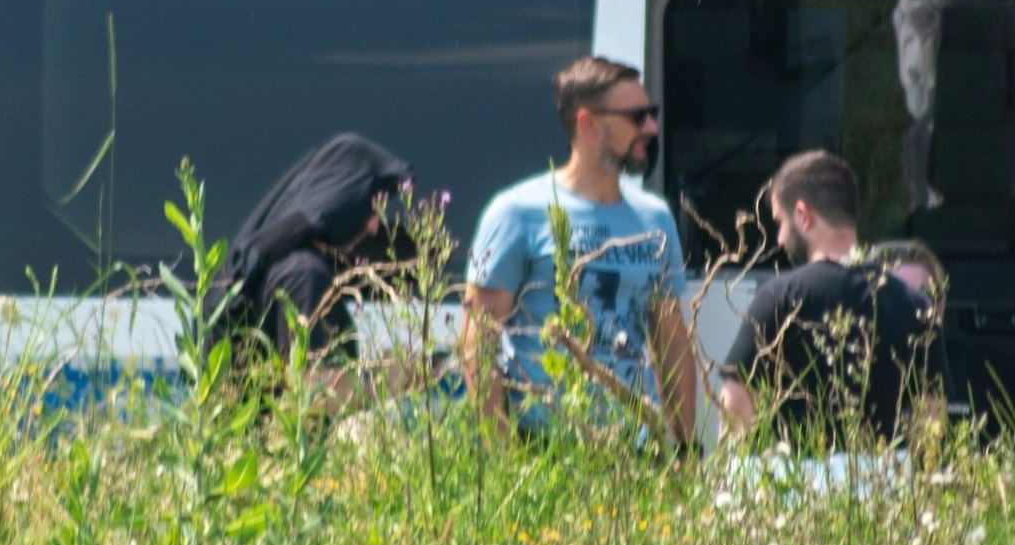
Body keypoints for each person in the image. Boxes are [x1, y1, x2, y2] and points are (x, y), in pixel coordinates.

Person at [462, 56, 699, 447]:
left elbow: (671, 339)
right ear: (587, 122)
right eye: (637, 116)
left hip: (636, 447)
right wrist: (501, 449)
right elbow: (479, 340)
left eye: (651, 114)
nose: (652, 128)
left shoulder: (654, 217)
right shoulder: (517, 212)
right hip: (543, 441)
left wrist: (686, 447)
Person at [717, 152, 929, 446]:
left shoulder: (779, 299)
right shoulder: (914, 304)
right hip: (890, 482)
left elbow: (738, 403)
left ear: (803, 215)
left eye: (780, 222)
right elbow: (931, 411)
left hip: (797, 483)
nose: (779, 239)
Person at [214, 132, 413, 409]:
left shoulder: (287, 263)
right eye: (369, 209)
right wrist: (386, 380)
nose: (374, 227)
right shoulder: (304, 274)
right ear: (339, 199)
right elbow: (310, 393)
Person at [872, 237, 1015, 463]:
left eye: (924, 295)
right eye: (898, 295)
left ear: (941, 304)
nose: (914, 306)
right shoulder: (847, 367)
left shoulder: (975, 365)